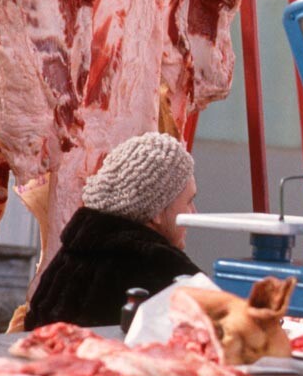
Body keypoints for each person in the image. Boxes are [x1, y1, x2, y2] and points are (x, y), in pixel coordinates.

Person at [23, 131, 201, 330]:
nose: (193, 213)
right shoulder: (165, 269)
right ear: (157, 211)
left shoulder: (67, 258)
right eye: (189, 201)